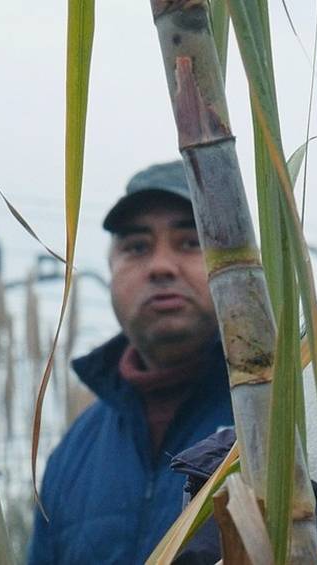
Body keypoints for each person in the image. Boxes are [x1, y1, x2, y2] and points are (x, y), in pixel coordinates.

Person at [28, 161, 235, 563]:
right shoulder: (73, 453)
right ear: (111, 269)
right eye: (137, 247)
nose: (160, 266)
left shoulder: (288, 415)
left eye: (190, 242)